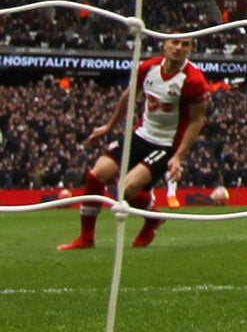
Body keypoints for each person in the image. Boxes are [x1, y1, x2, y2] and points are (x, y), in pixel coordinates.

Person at [58, 37, 210, 251]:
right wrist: (109, 127)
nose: (179, 48)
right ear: (164, 45)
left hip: (166, 144)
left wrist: (178, 156)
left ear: (191, 49)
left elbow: (197, 120)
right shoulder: (148, 68)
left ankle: (152, 218)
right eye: (175, 42)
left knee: (126, 189)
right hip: (140, 135)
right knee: (97, 173)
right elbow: (129, 96)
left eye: (185, 44)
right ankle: (86, 238)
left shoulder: (194, 80)